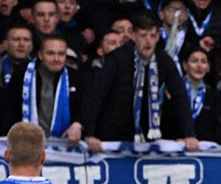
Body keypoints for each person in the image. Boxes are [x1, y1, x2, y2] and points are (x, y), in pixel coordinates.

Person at [80, 10, 198, 151]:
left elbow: (180, 96)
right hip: (112, 133)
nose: (148, 41)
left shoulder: (164, 61)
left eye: (152, 36)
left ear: (158, 37)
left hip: (148, 134)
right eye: (143, 35)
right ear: (133, 36)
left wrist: (189, 134)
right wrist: (89, 133)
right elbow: (96, 95)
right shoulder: (117, 58)